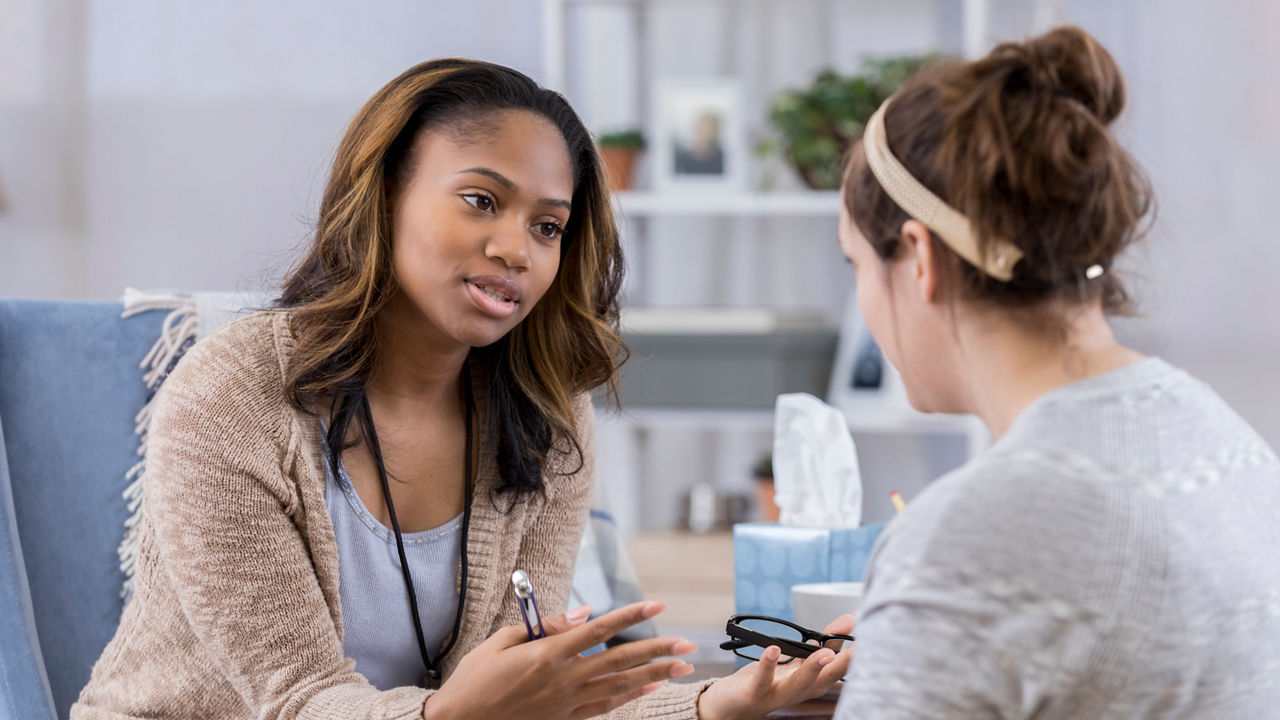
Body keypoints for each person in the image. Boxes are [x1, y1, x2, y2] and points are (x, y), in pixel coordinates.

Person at [72, 58, 846, 720]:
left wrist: (717, 701)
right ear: (383, 195)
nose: (516, 249)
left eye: (548, 227)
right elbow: (300, 701)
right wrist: (453, 709)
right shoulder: (235, 397)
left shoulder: (548, 415)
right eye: (481, 200)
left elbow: (525, 699)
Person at [831, 26, 1280, 719]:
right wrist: (922, 640)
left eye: (857, 265)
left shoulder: (970, 536)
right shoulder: (1229, 444)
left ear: (920, 259)